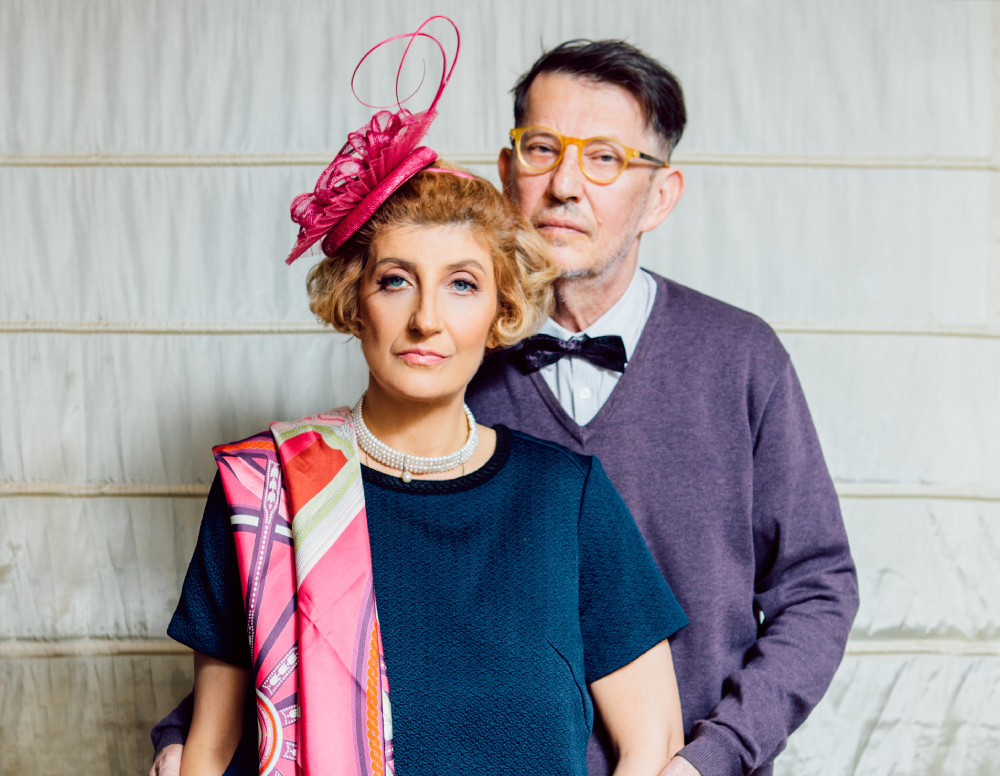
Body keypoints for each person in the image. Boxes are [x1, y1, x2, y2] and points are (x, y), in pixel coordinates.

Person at [152, 36, 858, 776]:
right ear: (506, 169)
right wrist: (191, 739)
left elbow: (817, 589)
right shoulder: (437, 369)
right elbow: (308, 610)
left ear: (661, 194)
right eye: (542, 149)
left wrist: (712, 759)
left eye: (605, 158)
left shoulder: (740, 358)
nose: (565, 186)